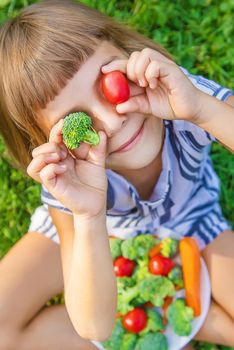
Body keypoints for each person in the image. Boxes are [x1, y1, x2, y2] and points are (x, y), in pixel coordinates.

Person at [0, 0, 233, 349]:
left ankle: (193, 318)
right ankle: (176, 310)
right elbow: (94, 326)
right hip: (97, 230)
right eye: (77, 123)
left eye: (110, 82)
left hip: (192, 218)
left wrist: (202, 110)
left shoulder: (182, 97)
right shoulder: (69, 180)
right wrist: (88, 214)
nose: (113, 121)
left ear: (129, 53)